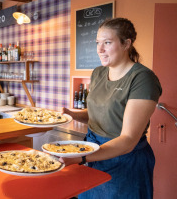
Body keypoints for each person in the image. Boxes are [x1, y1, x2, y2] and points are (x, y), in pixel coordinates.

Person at [61, 18, 162, 199]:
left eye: (107, 43)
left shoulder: (142, 78)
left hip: (124, 160)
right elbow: (99, 113)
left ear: (126, 44)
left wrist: (82, 157)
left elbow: (128, 139)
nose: (99, 49)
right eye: (98, 43)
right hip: (91, 151)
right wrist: (71, 115)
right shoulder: (98, 73)